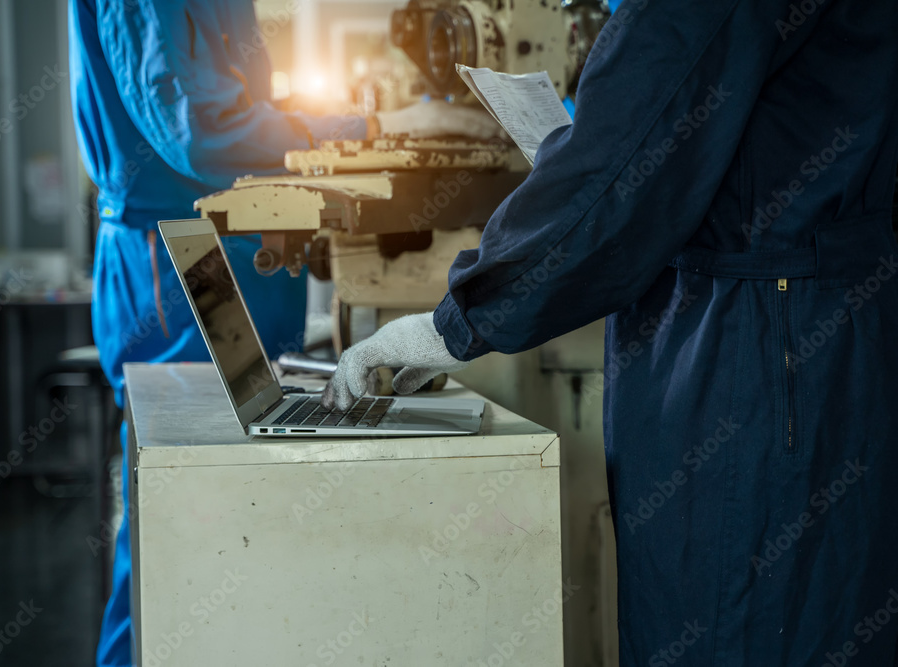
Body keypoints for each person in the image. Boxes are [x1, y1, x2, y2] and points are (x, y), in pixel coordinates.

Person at [327, 0, 898, 664]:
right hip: (832, 328)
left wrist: (453, 323)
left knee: (729, 627)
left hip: (751, 351)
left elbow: (619, 169)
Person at [67, 1, 501, 664]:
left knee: (244, 516)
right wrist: (371, 123)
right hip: (183, 266)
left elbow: (234, 99)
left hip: (230, 260)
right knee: (179, 519)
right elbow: (198, 128)